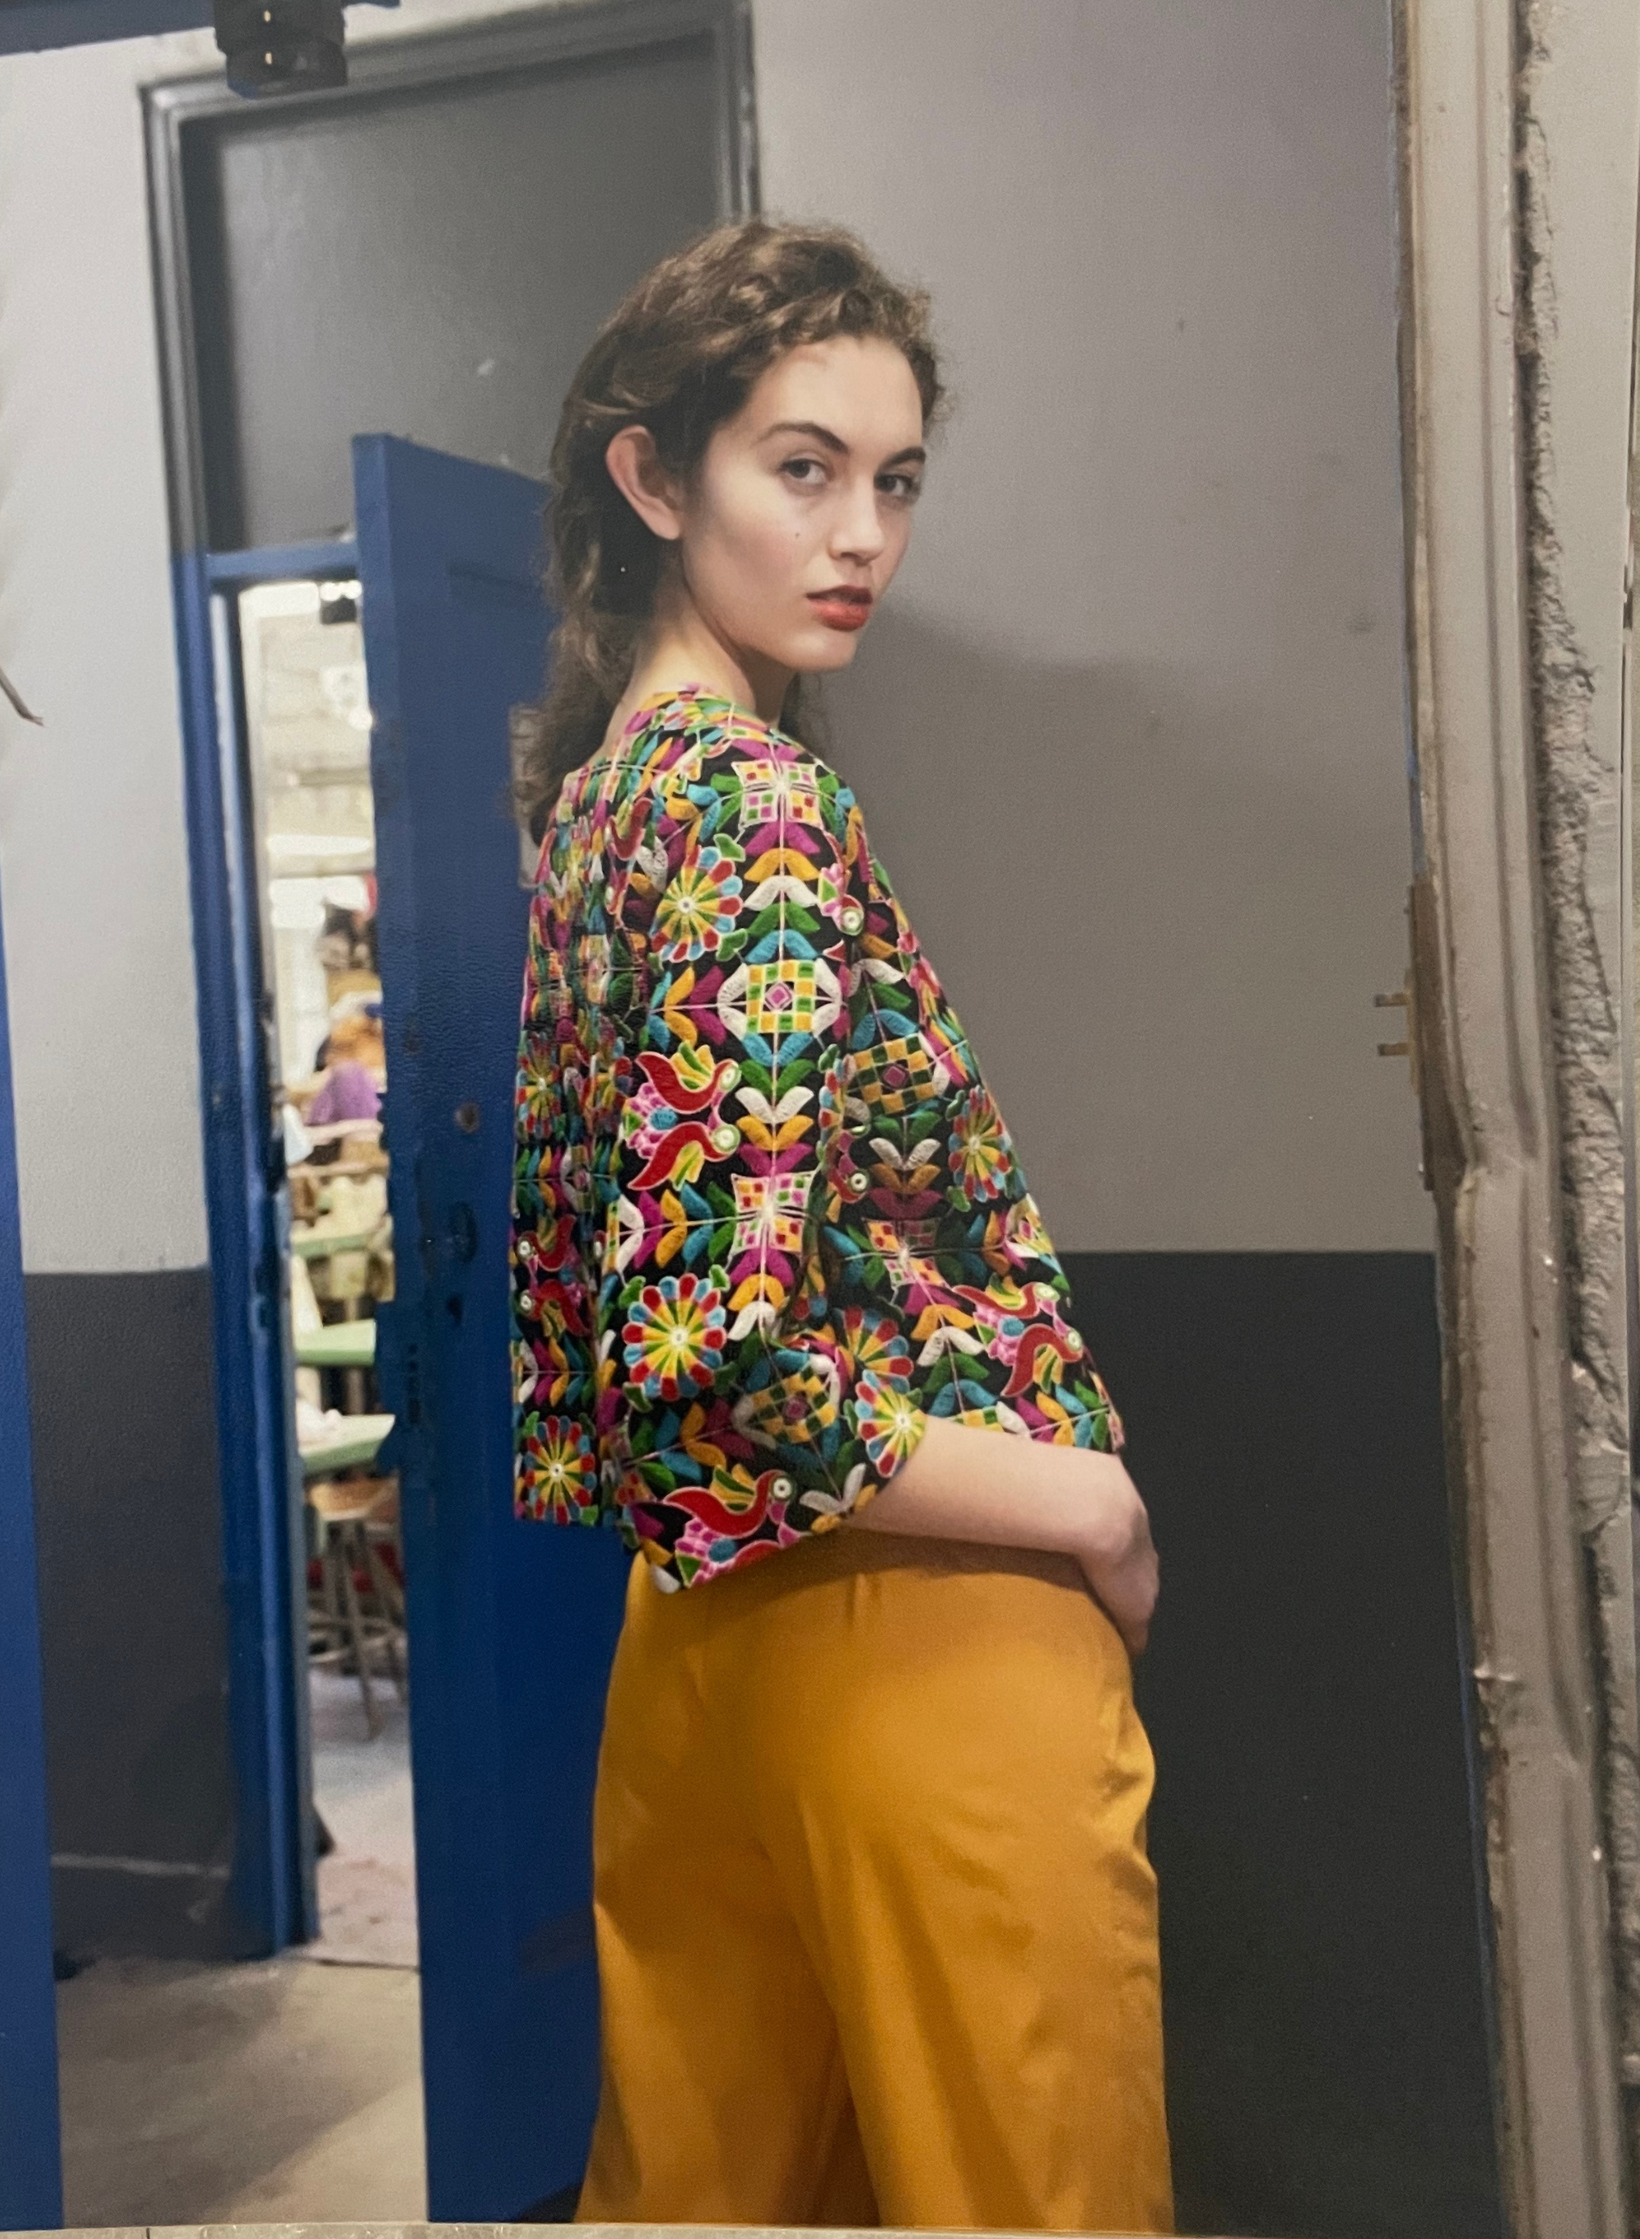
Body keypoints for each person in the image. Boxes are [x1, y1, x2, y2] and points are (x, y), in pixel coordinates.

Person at [510, 220, 1172, 2235]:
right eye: (800, 468)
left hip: (700, 1645)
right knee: (1028, 2198)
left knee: (710, 2198)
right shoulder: (758, 807)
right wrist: (1086, 1508)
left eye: (893, 479)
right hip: (920, 1633)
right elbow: (711, 1351)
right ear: (654, 475)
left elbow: (631, 1343)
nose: (861, 533)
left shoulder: (601, 805)